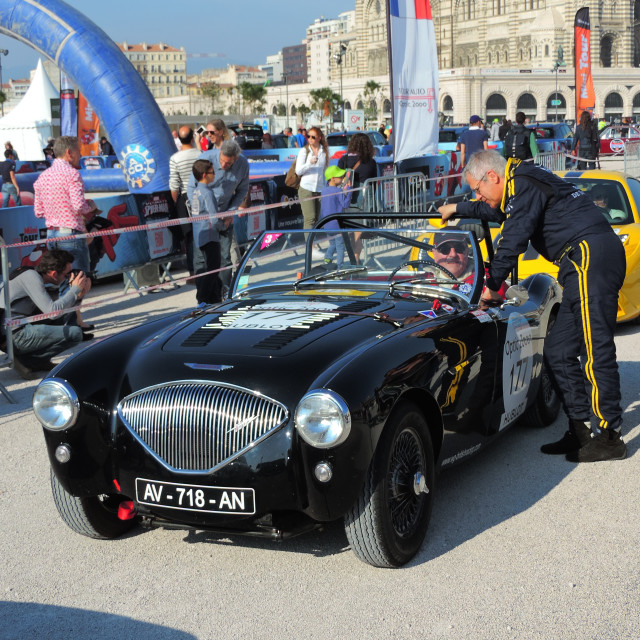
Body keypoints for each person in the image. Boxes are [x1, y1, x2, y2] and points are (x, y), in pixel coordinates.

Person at [438, 150, 627, 462]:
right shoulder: (518, 184)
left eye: (477, 189)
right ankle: (580, 430)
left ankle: (609, 436)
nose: (478, 196)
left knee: (595, 350)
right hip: (580, 259)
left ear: (492, 177)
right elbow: (499, 213)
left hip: (589, 255)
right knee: (558, 350)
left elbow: (512, 240)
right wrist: (457, 208)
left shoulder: (523, 183)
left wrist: (492, 287)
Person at [0, 249, 91, 379]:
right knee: (76, 334)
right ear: (54, 274)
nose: (68, 277)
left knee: (62, 317)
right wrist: (74, 290)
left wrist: (78, 296)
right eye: (66, 274)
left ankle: (33, 360)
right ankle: (28, 361)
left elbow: (59, 310)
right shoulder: (32, 278)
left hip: (13, 330)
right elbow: (53, 312)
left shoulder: (32, 274)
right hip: (11, 337)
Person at [187, 139, 250, 291]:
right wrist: (197, 211)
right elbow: (191, 186)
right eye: (221, 161)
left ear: (235, 159)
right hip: (203, 219)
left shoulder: (243, 165)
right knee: (201, 259)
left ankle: (223, 290)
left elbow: (242, 191)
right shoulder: (206, 159)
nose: (223, 165)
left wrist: (230, 212)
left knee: (225, 257)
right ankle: (202, 294)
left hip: (225, 217)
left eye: (228, 164)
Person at [33, 136, 99, 275]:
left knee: (62, 279)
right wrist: (91, 207)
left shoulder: (42, 177)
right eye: (79, 151)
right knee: (79, 280)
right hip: (70, 234)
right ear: (69, 153)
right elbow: (79, 206)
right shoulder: (72, 174)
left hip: (51, 234)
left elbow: (38, 212)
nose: (81, 155)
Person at [189, 159, 232, 304]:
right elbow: (213, 218)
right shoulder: (207, 192)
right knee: (213, 270)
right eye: (212, 172)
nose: (214, 175)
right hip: (209, 235)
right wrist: (224, 225)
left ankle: (213, 297)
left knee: (207, 269)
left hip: (199, 235)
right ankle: (203, 299)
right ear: (204, 174)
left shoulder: (195, 191)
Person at [169, 126, 201, 271]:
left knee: (189, 236)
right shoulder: (200, 154)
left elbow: (174, 184)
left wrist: (175, 204)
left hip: (185, 197)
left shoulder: (175, 158)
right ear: (192, 138)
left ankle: (193, 271)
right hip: (201, 194)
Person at [295, 126, 328, 230]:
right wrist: (309, 163)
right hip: (306, 188)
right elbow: (298, 171)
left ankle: (311, 242)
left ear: (319, 138)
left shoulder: (324, 152)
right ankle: (310, 245)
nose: (310, 139)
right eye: (308, 136)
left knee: (316, 219)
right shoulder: (304, 151)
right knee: (310, 218)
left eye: (313, 137)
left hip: (319, 189)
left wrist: (325, 187)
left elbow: (324, 171)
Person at [319, 166, 352, 269]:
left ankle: (327, 258)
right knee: (340, 246)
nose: (342, 178)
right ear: (333, 178)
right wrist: (350, 190)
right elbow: (345, 204)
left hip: (327, 224)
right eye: (340, 177)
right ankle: (339, 266)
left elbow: (322, 209)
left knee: (332, 243)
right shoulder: (338, 191)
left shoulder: (323, 192)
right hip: (337, 224)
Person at [337, 132, 378, 207]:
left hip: (348, 197)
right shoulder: (371, 162)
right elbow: (374, 182)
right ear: (368, 146)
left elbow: (338, 179)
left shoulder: (344, 159)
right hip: (366, 197)